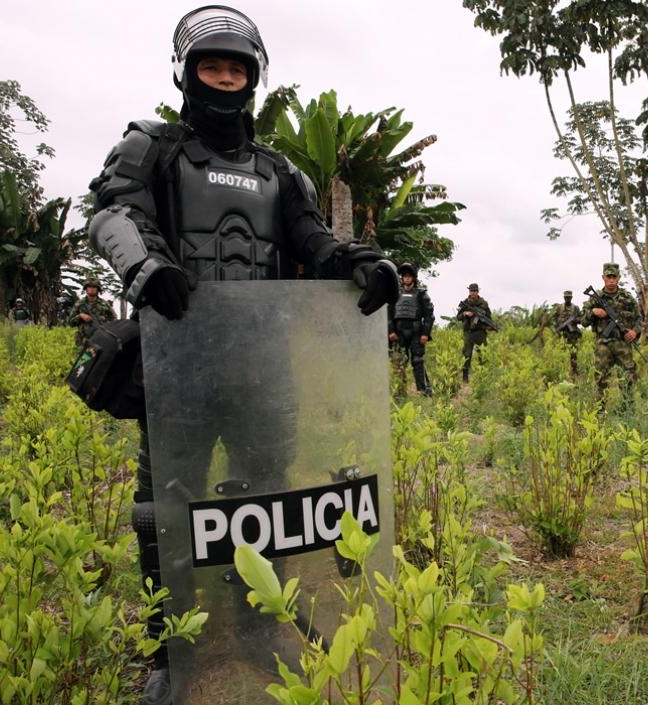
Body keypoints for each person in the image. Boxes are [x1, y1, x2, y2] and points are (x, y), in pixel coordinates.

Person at [85, 7, 397, 703]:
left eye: (237, 68)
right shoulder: (153, 147)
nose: (225, 79)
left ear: (254, 79)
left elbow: (314, 241)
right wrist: (145, 267)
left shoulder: (279, 171)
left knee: (269, 495)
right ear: (187, 73)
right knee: (167, 503)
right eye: (211, 67)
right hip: (178, 366)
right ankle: (170, 647)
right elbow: (112, 211)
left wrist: (361, 265)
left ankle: (263, 624)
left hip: (263, 367)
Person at [584, 263, 641, 397]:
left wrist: (634, 332)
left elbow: (639, 318)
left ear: (618, 278)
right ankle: (600, 413)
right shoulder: (595, 298)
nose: (611, 280)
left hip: (623, 344)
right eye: (608, 277)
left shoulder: (627, 297)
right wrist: (593, 311)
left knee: (628, 377)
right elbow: (583, 321)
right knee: (601, 379)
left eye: (614, 277)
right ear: (603, 277)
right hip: (603, 345)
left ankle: (626, 411)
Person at [388, 263, 434, 396]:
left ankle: (423, 390)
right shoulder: (394, 294)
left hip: (416, 332)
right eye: (404, 276)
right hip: (398, 332)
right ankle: (400, 392)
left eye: (409, 276)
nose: (407, 279)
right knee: (398, 361)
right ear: (402, 279)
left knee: (418, 361)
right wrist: (390, 331)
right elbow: (388, 314)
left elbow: (429, 316)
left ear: (414, 278)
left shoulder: (421, 295)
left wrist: (425, 334)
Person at [456, 283, 494, 383]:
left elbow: (488, 317)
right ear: (469, 291)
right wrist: (465, 313)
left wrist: (489, 326)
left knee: (482, 354)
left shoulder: (484, 304)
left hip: (480, 332)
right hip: (468, 332)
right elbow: (458, 317)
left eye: (475, 291)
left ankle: (483, 377)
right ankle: (465, 378)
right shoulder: (465, 303)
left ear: (478, 291)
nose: (473, 293)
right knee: (467, 354)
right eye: (471, 291)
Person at [67, 280, 116, 346]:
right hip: (83, 340)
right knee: (85, 356)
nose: (92, 289)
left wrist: (104, 323)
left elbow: (114, 320)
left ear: (98, 289)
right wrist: (80, 316)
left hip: (101, 339)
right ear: (86, 289)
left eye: (94, 287)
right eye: (89, 287)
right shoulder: (79, 304)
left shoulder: (105, 304)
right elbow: (70, 322)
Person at [552, 289, 583, 376]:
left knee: (573, 353)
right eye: (566, 297)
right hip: (562, 333)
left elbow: (581, 319)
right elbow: (554, 318)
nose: (567, 299)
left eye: (569, 297)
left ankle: (574, 371)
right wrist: (557, 326)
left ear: (572, 298)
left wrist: (574, 321)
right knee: (560, 352)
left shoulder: (576, 308)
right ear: (564, 298)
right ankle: (561, 370)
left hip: (572, 334)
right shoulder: (559, 308)